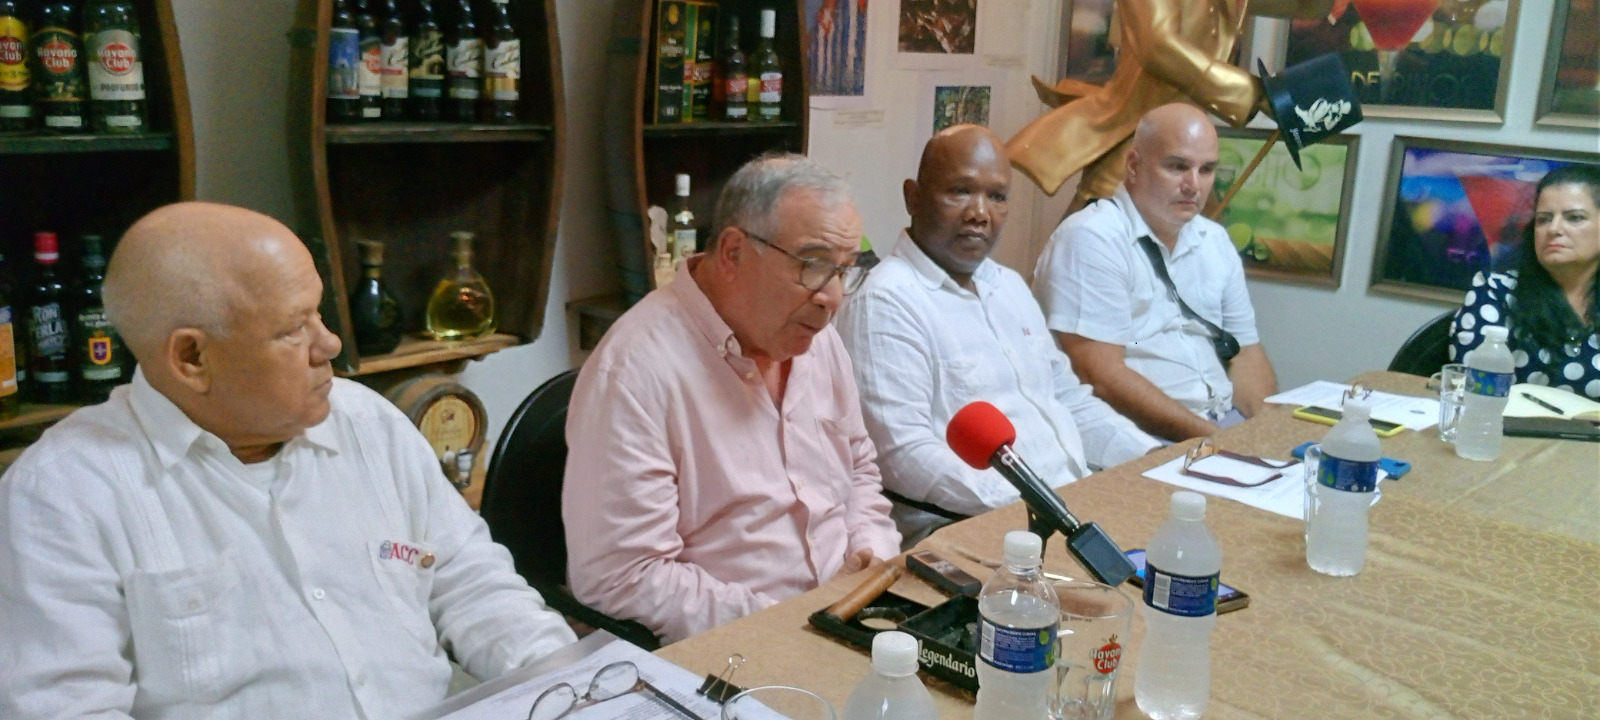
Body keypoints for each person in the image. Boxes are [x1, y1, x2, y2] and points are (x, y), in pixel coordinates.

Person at [0, 203, 577, 719]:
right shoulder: (63, 495)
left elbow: (474, 584)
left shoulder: (367, 424)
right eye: (293, 329)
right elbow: (65, 708)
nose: (329, 345)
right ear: (191, 357)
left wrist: (576, 688)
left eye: (320, 315)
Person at [563, 154, 901, 644]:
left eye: (845, 271)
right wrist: (792, 624)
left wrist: (872, 549)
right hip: (734, 647)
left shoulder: (815, 338)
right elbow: (621, 578)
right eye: (813, 266)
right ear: (733, 252)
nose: (831, 296)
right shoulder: (636, 371)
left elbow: (860, 470)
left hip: (849, 618)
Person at [836, 125, 1159, 544]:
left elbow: (1067, 400)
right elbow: (902, 454)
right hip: (975, 529)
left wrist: (1151, 459)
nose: (980, 213)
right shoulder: (885, 300)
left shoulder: (1007, 285)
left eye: (997, 196)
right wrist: (1041, 504)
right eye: (960, 191)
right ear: (912, 197)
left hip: (1068, 506)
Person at [1034, 103, 1278, 442]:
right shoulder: (1092, 237)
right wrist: (1219, 444)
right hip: (1141, 439)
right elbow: (1101, 376)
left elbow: (1246, 353)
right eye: (1178, 167)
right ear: (1133, 165)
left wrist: (1265, 435)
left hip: (1220, 425)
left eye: (1206, 170)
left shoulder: (1214, 240)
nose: (1193, 185)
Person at [1006, 0, 1332, 209]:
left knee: (1187, 281)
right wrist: (1254, 93)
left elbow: (1308, 6)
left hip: (1187, 153)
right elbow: (1157, 45)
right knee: (1088, 271)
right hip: (1132, 149)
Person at [1451, 164, 1600, 399]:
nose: (1554, 229)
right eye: (1543, 220)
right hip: (1507, 432)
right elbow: (1476, 393)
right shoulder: (1495, 293)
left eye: (1574, 218)